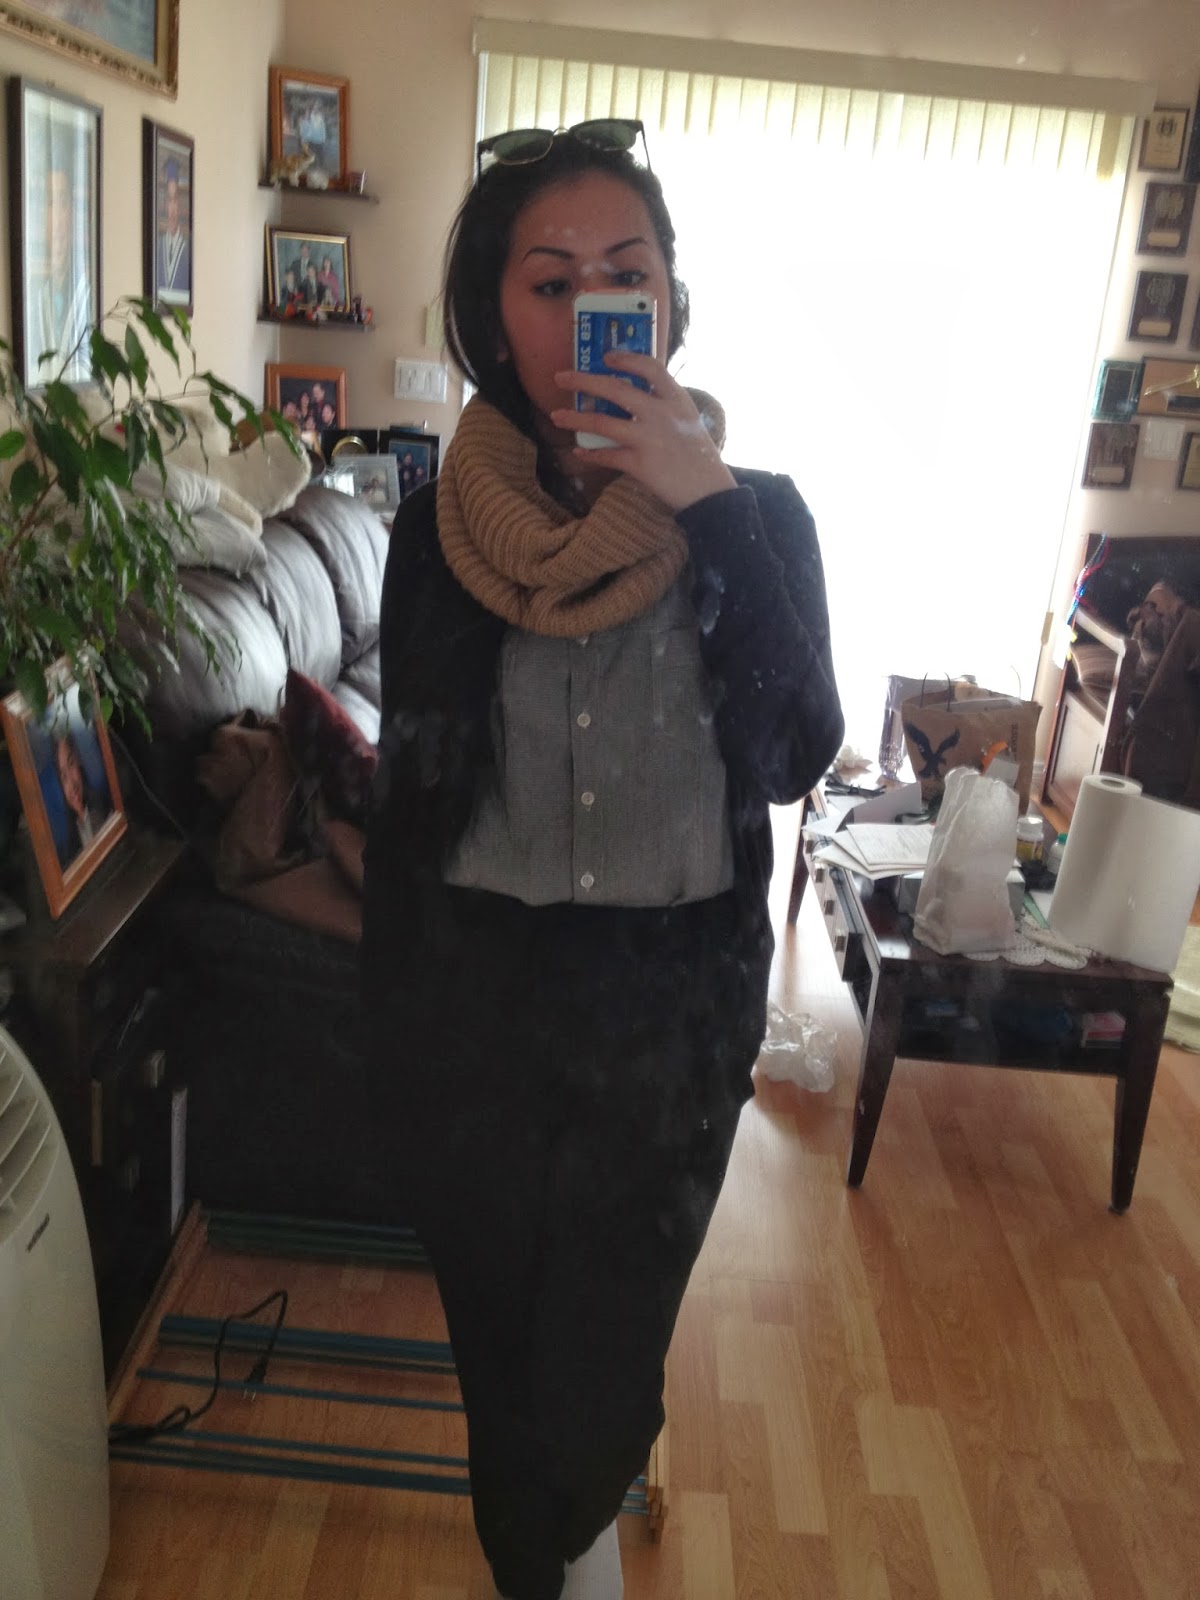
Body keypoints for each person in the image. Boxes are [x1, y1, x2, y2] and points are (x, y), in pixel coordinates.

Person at [361, 122, 842, 1600]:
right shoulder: (437, 532)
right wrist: (393, 1031)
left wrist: (705, 506)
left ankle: (562, 1537)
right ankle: (543, 1569)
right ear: (494, 317)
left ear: (673, 302)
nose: (591, 312)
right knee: (498, 1365)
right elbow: (411, 802)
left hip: (665, 1022)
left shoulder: (760, 518)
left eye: (624, 276)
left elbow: (793, 751)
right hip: (475, 1016)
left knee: (592, 1382)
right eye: (551, 281)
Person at [28, 162, 92, 383]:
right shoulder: (34, 297)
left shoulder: (87, 293)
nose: (57, 220)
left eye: (63, 203)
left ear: (73, 213)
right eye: (50, 203)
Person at [53, 729, 108, 865]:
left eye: (71, 764)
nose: (72, 784)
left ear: (79, 761)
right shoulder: (70, 845)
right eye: (63, 777)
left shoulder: (104, 807)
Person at [156, 155, 190, 304]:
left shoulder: (188, 248)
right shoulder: (157, 246)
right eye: (169, 200)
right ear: (164, 204)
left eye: (175, 200)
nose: (173, 209)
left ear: (180, 204)